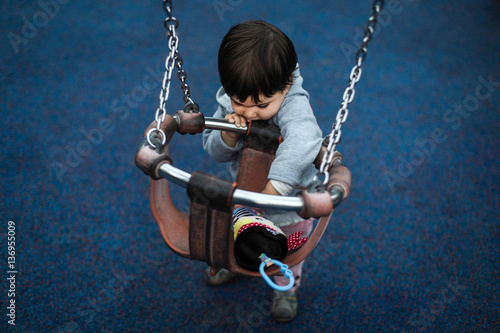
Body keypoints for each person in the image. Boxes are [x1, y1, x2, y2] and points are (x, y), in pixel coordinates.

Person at [202, 20, 323, 322]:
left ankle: (285, 284)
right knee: (241, 236)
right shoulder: (232, 102)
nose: (248, 112)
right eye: (239, 102)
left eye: (261, 105)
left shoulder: (292, 104)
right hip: (244, 194)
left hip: (289, 205)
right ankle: (239, 264)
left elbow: (305, 139)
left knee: (289, 249)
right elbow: (214, 152)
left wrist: (276, 189)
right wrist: (228, 135)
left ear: (285, 87)